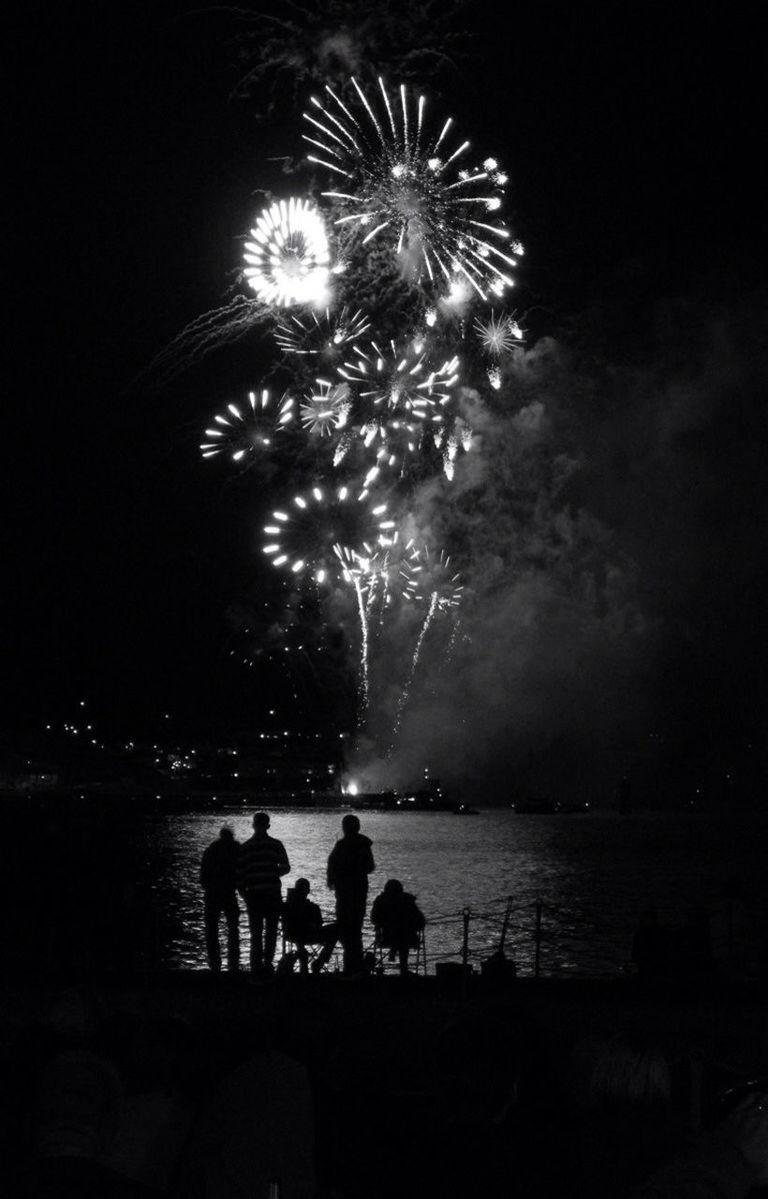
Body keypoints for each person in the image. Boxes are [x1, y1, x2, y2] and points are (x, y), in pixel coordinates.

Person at [236, 812, 290, 977]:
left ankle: (256, 967)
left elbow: (239, 875)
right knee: (271, 932)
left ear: (253, 825)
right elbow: (286, 867)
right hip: (272, 893)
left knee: (256, 933)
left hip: (254, 895)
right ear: (268, 826)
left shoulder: (245, 848)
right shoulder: (276, 845)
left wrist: (245, 894)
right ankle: (267, 964)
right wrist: (273, 874)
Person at [326, 814, 374, 975]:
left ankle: (350, 966)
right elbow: (370, 866)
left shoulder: (341, 845)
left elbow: (331, 868)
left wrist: (337, 879)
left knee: (346, 929)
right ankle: (355, 965)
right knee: (355, 929)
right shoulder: (363, 844)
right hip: (358, 892)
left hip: (346, 893)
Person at [200, 827, 240, 972]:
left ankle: (215, 961)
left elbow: (203, 874)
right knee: (233, 928)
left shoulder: (210, 850)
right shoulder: (236, 849)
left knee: (211, 929)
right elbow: (241, 871)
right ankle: (233, 960)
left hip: (212, 893)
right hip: (229, 892)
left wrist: (208, 886)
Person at [282, 879, 338, 975]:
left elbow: (318, 924)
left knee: (336, 929)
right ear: (308, 891)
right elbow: (318, 924)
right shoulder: (311, 907)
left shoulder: (288, 905)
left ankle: (314, 961)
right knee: (335, 930)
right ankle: (318, 962)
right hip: (303, 935)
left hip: (296, 935)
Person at [370, 879, 425, 975]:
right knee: (402, 934)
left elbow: (374, 919)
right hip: (406, 937)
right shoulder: (407, 901)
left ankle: (394, 951)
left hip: (387, 937)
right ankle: (403, 968)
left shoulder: (380, 901)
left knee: (401, 932)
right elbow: (421, 920)